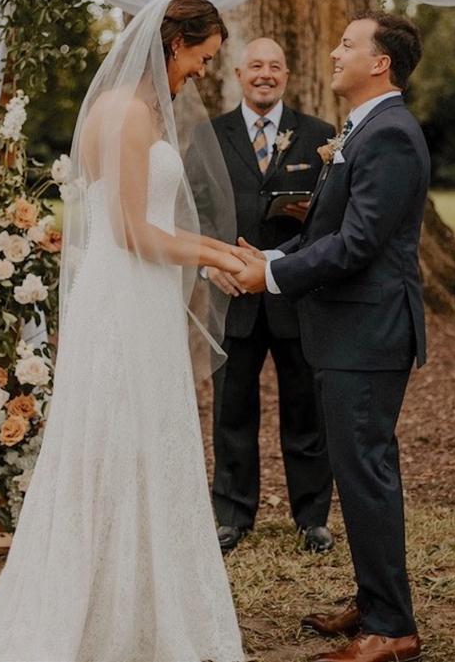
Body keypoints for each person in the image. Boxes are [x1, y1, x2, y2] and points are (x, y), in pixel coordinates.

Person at [0, 0, 245, 662]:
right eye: (201, 57)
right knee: (118, 437)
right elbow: (134, 232)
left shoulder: (130, 108)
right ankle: (108, 602)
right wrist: (218, 255)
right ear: (175, 44)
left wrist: (213, 254)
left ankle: (136, 592)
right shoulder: (128, 114)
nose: (202, 71)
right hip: (128, 293)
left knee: (137, 438)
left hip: (138, 292)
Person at [234, 12, 429, 662]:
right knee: (356, 469)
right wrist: (268, 257)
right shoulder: (365, 127)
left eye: (348, 44)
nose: (334, 52)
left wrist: (271, 276)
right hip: (349, 330)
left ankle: (393, 628)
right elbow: (327, 231)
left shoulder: (390, 133)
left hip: (369, 332)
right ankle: (375, 601)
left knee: (366, 473)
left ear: (381, 62)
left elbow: (359, 243)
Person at [192, 38, 335, 554]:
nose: (265, 74)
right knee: (231, 409)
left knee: (306, 409)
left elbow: (334, 214)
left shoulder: (319, 135)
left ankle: (312, 518)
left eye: (275, 66)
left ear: (287, 76)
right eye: (256, 65)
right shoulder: (209, 135)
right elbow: (191, 208)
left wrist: (310, 217)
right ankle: (232, 515)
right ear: (238, 74)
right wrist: (210, 264)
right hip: (232, 295)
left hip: (296, 294)